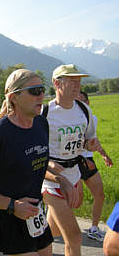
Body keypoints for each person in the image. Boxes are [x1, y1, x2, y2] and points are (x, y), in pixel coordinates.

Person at [0, 69, 62, 255]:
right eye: (34, 91)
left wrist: (61, 180)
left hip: (36, 215)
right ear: (13, 97)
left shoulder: (41, 124)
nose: (41, 95)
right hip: (10, 219)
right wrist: (12, 206)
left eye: (42, 89)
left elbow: (33, 163)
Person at [41, 64, 103, 256]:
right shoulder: (44, 113)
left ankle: (30, 248)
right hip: (50, 180)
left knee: (53, 231)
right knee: (74, 237)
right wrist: (49, 164)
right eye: (72, 81)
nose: (78, 85)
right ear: (56, 83)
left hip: (74, 175)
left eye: (79, 81)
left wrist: (89, 145)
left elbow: (86, 141)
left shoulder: (84, 110)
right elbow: (32, 151)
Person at [78, 90, 113, 241]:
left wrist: (104, 155)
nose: (79, 105)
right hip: (71, 164)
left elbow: (94, 140)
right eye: (76, 102)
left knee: (100, 195)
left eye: (82, 101)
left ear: (88, 103)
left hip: (88, 162)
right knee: (74, 200)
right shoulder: (68, 120)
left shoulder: (93, 119)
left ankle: (93, 228)